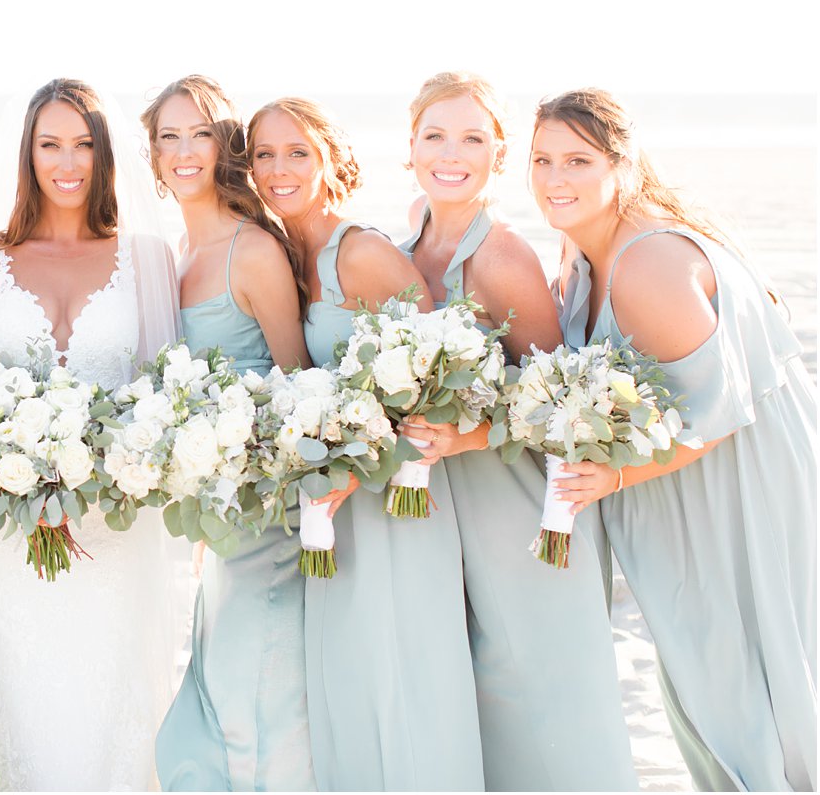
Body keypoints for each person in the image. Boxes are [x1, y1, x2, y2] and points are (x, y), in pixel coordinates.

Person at [535, 87, 816, 791]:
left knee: (749, 686)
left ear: (622, 166)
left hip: (734, 490)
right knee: (709, 680)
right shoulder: (581, 248)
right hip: (681, 486)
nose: (555, 178)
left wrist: (614, 477)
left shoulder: (648, 262)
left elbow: (723, 412)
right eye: (541, 160)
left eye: (577, 160)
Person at [395, 73, 636, 789]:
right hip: (456, 512)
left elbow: (556, 399)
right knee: (485, 706)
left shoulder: (501, 256)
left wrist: (464, 437)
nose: (452, 152)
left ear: (498, 156)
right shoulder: (410, 231)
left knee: (546, 703)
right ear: (409, 147)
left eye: (473, 138)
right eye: (436, 135)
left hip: (521, 505)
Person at [246, 93, 487, 790]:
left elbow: (446, 370)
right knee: (347, 681)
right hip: (335, 506)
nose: (279, 168)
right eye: (264, 154)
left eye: (298, 152)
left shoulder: (362, 252)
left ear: (331, 160)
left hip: (396, 505)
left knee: (403, 678)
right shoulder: (285, 255)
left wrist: (368, 451)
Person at [0, 78, 181, 791]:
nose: (68, 161)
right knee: (20, 700)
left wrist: (104, 473)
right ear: (27, 154)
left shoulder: (145, 257)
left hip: (116, 524)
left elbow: (165, 401)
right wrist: (16, 471)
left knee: (114, 702)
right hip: (10, 530)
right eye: (50, 144)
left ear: (107, 154)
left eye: (83, 144)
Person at [148, 76, 317, 792]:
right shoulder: (169, 254)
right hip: (213, 525)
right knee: (214, 698)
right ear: (152, 153)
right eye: (168, 136)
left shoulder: (252, 252)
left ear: (225, 146)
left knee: (255, 709)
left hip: (267, 527)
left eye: (200, 134)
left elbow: (304, 392)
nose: (185, 151)